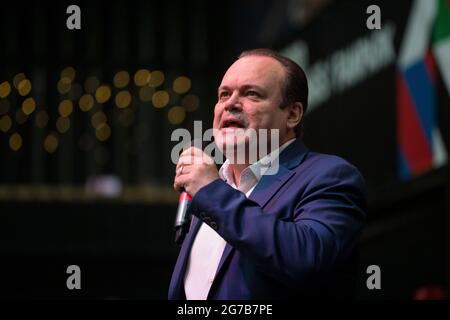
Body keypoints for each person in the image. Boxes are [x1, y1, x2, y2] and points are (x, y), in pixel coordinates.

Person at [169, 48, 367, 299]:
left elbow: (308, 260)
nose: (230, 104)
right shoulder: (210, 196)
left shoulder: (330, 177)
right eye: (224, 94)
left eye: (251, 93)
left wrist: (212, 192)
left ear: (292, 114)